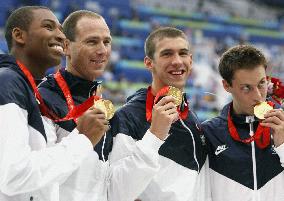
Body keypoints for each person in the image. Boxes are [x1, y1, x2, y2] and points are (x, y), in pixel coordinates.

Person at [39, 10, 176, 201]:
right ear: (66, 46)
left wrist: (155, 136)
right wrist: (83, 138)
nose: (102, 50)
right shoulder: (44, 98)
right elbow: (36, 177)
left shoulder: (104, 107)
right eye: (92, 41)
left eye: (107, 41)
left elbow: (114, 192)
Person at [0, 6, 108, 201]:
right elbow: (14, 176)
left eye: (60, 29)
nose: (60, 36)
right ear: (19, 35)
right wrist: (82, 139)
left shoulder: (25, 87)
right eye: (49, 27)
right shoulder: (8, 81)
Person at [109, 27, 209, 201]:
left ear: (191, 60)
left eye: (183, 53)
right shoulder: (127, 117)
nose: (177, 61)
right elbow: (116, 192)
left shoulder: (191, 119)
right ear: (149, 63)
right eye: (167, 54)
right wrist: (154, 135)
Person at [202, 45, 284, 201]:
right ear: (226, 86)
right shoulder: (209, 133)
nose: (258, 96)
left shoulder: (282, 125)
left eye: (261, 83)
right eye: (246, 88)